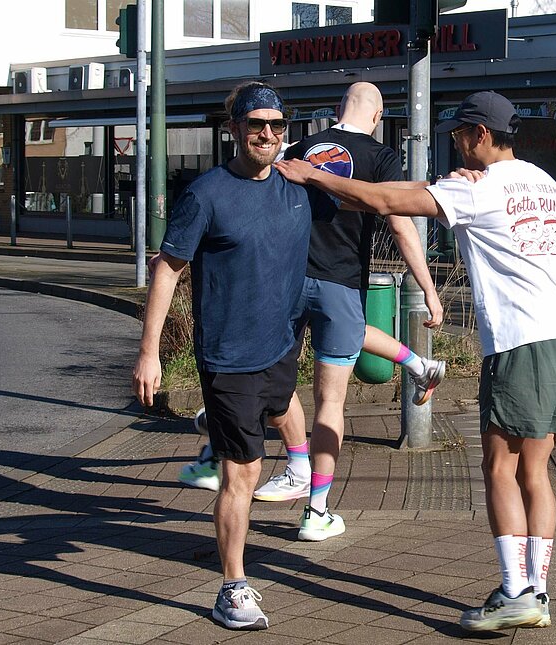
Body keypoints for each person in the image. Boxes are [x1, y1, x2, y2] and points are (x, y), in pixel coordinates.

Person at [275, 90, 556, 631]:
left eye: (460, 134)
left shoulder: (477, 192)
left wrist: (315, 176)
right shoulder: (542, 182)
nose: (456, 144)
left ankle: (515, 592)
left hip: (519, 343)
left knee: (498, 468)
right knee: (535, 470)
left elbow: (385, 203)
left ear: (481, 135)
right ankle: (539, 592)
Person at [179, 82, 447, 545]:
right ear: (379, 117)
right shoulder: (379, 157)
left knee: (274, 379)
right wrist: (428, 288)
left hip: (289, 281)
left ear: (337, 109)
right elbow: (401, 225)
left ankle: (273, 456)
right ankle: (316, 510)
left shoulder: (296, 149)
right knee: (331, 403)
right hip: (340, 283)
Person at [133, 80, 337, 631]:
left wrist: (454, 183)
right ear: (235, 130)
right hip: (228, 357)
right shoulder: (207, 194)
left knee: (285, 404)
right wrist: (150, 353)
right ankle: (233, 588)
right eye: (256, 125)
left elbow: (377, 195)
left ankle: (297, 475)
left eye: (276, 126)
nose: (266, 135)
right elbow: (167, 270)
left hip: (279, 348)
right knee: (241, 474)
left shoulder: (300, 188)